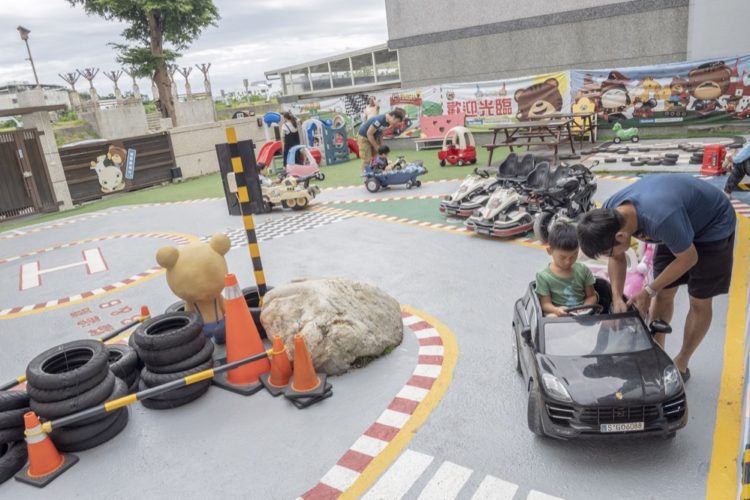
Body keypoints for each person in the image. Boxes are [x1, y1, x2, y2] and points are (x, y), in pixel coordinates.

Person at [576, 174, 736, 381]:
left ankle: (682, 362)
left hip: (713, 226)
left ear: (622, 236)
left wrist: (648, 290)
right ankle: (657, 354)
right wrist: (617, 298)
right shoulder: (609, 212)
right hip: (677, 222)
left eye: (607, 252)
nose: (610, 256)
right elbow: (617, 258)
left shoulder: (660, 219)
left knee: (699, 300)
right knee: (663, 293)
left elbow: (688, 258)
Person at [535, 223, 597, 317]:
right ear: (550, 251)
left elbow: (592, 296)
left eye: (574, 256)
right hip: (559, 316)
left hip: (582, 316)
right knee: (552, 317)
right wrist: (556, 310)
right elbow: (545, 304)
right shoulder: (544, 277)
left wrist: (585, 307)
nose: (568, 262)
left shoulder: (583, 270)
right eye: (562, 257)